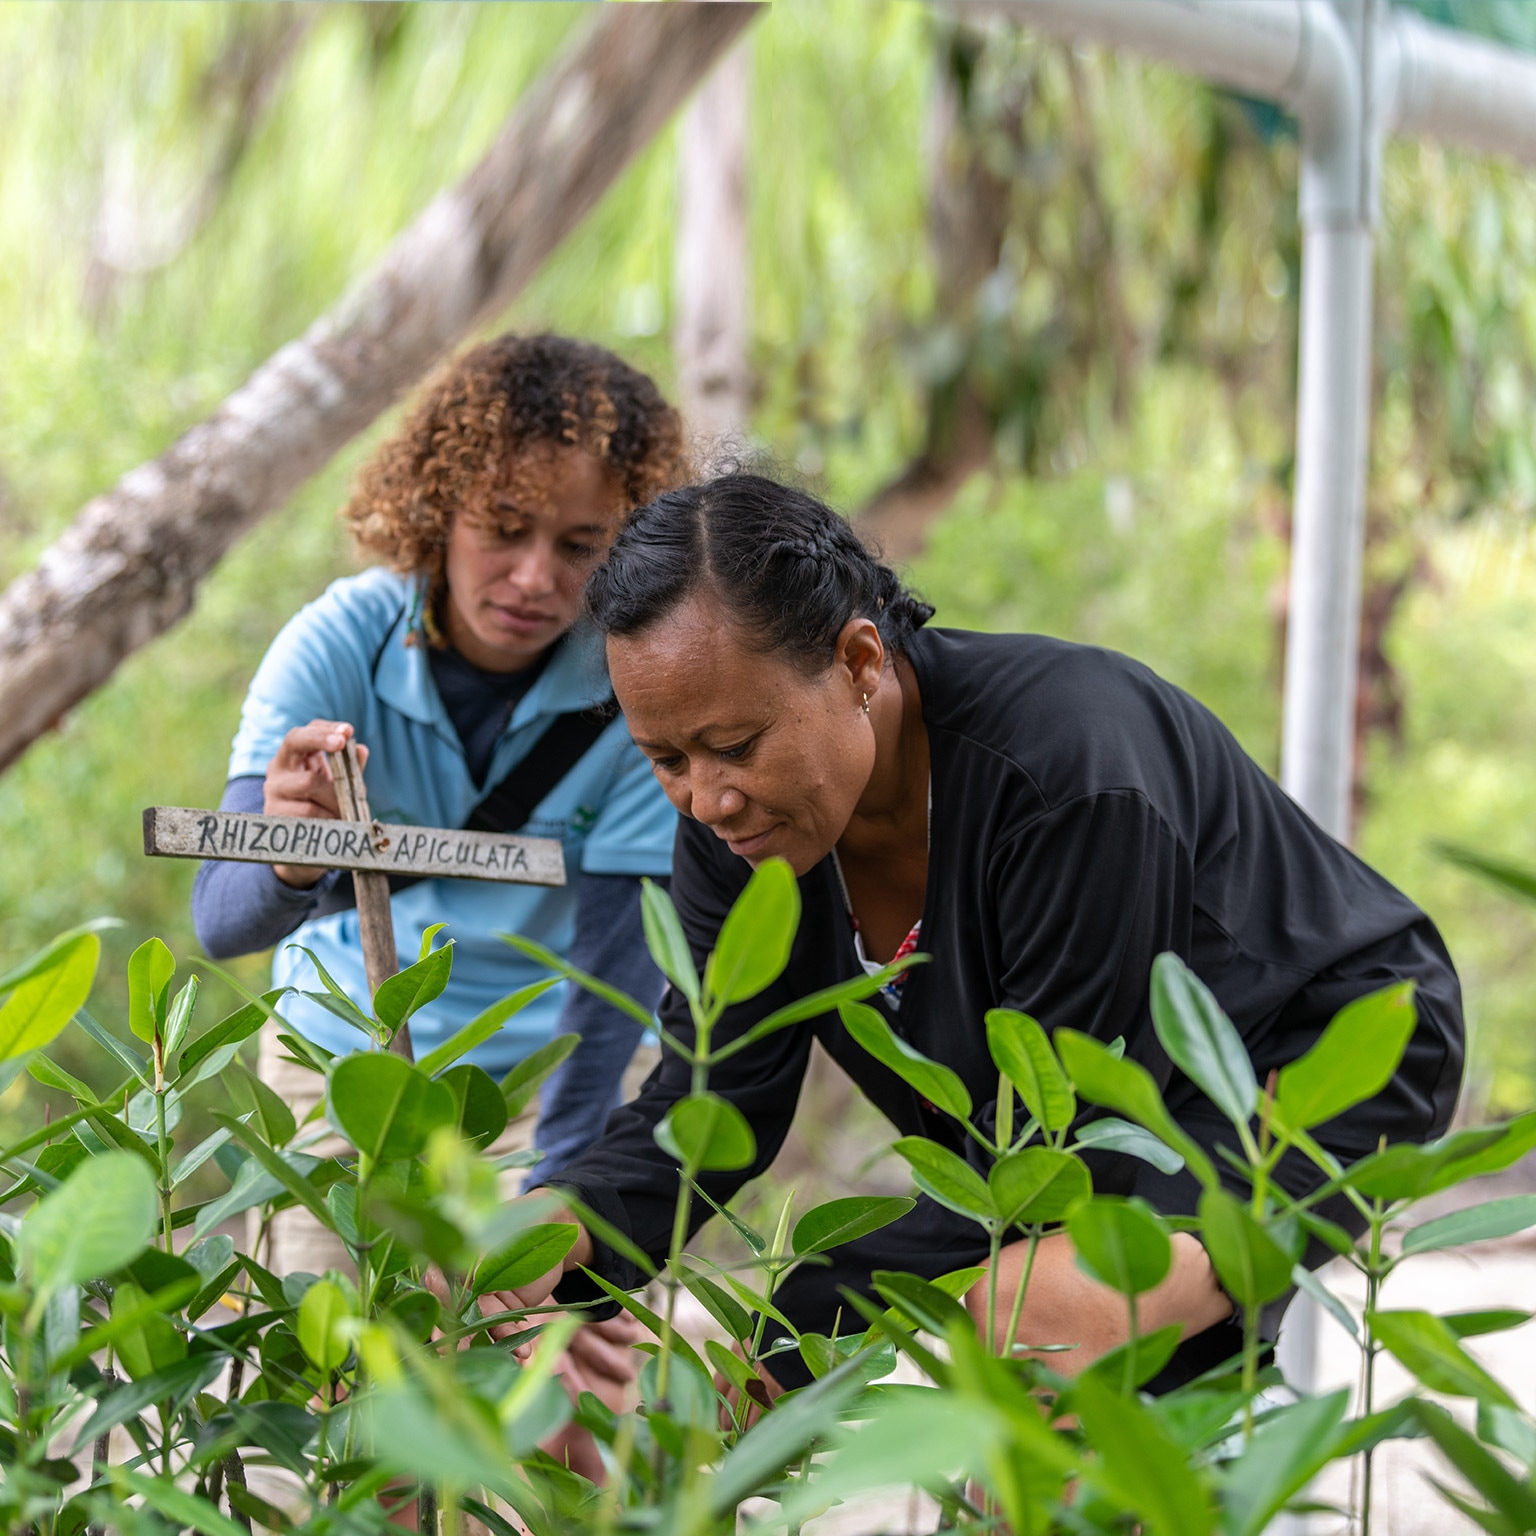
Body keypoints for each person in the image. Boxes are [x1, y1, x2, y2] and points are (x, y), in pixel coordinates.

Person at [497, 470, 1464, 1394]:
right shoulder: (740, 829)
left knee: (1042, 1306)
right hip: (1102, 1130)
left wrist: (783, 1353)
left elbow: (1070, 1157)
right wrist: (556, 1231)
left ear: (860, 661)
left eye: (736, 746)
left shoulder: (1067, 775)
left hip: (1316, 1057)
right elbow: (717, 1097)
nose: (705, 797)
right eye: (663, 757)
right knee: (1018, 1324)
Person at [193, 334, 689, 1278]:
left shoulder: (635, 683)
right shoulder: (334, 649)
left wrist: (559, 1196)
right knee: (327, 1384)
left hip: (546, 1082)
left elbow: (616, 970)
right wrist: (290, 855)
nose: (537, 578)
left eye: (580, 545)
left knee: (515, 1397)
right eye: (504, 527)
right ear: (436, 508)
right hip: (342, 1068)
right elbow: (221, 920)